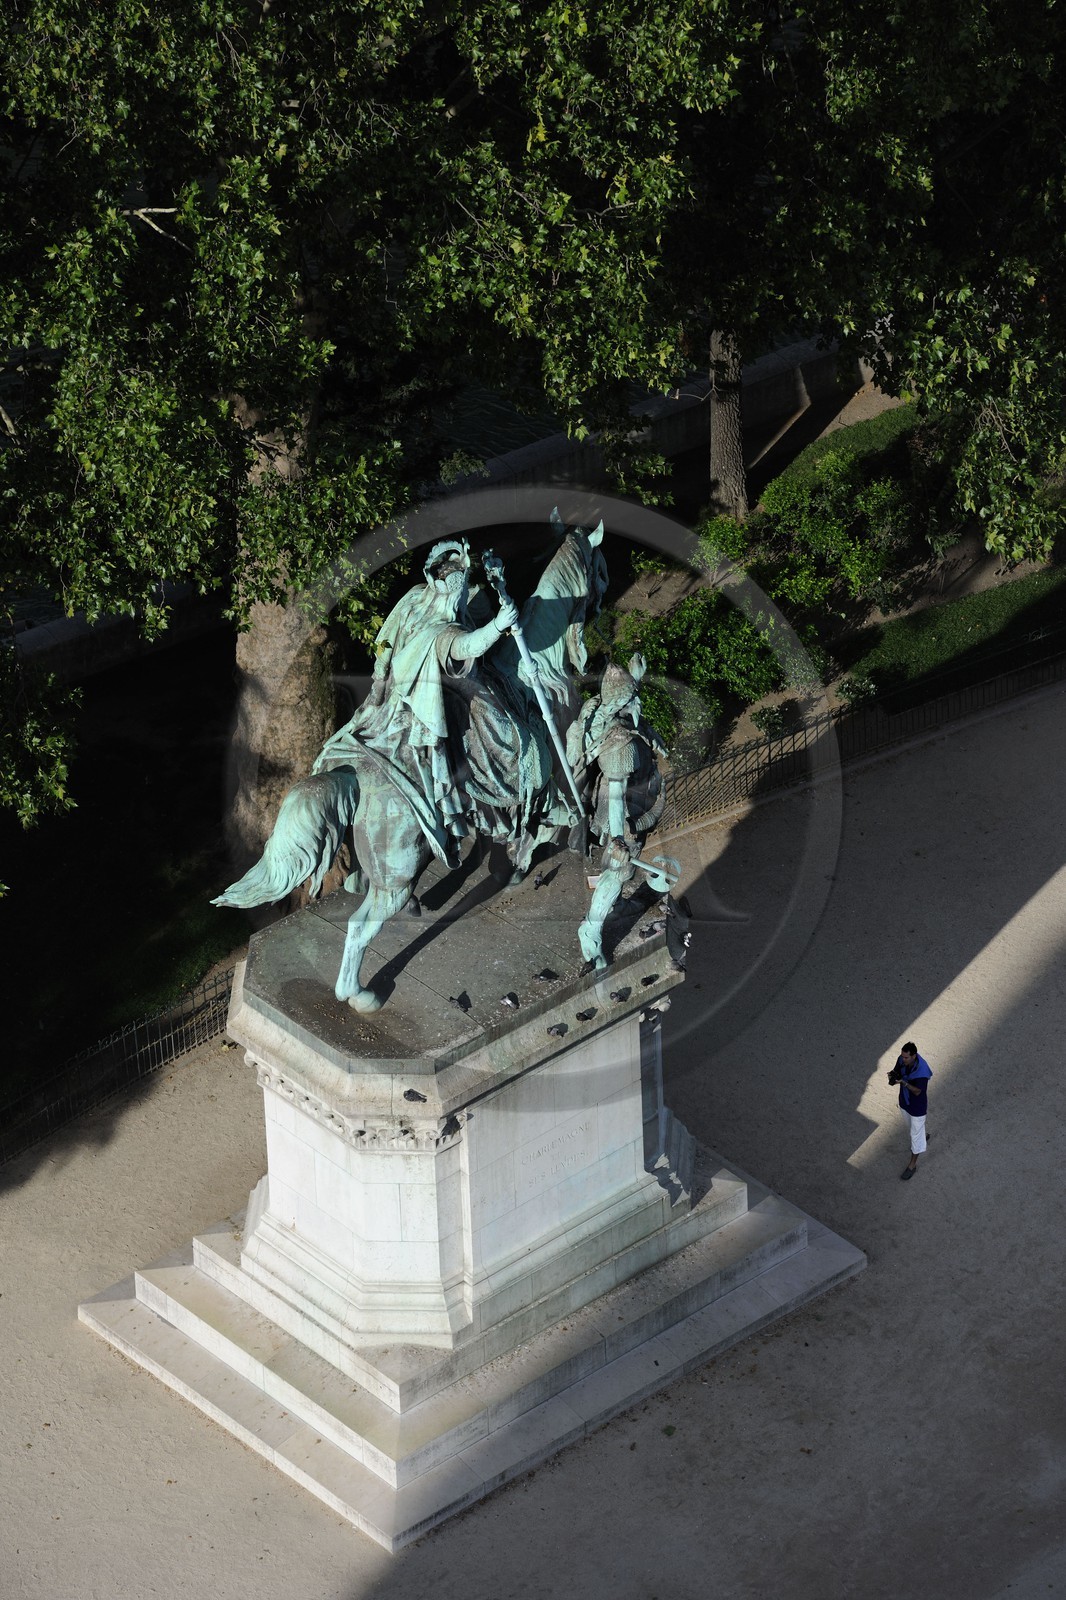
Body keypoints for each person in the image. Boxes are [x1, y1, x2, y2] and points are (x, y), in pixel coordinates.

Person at [313, 540, 558, 865]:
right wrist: (499, 625)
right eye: (460, 591)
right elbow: (468, 647)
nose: (462, 595)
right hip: (448, 702)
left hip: (396, 698)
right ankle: (500, 801)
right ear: (446, 588)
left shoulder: (414, 597)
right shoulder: (443, 632)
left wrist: (495, 599)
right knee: (516, 747)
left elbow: (384, 651)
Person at [567, 654, 667, 968]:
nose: (639, 704)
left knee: (621, 876)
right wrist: (619, 841)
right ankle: (591, 934)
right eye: (634, 698)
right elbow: (615, 795)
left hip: (635, 812)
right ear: (623, 704)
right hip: (622, 821)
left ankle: (617, 903)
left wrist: (634, 676)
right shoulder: (619, 746)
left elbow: (625, 698)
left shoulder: (615, 713)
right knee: (616, 873)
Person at [893, 1041, 932, 1180]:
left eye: (906, 1057)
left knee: (915, 1138)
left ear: (914, 1056)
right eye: (902, 1056)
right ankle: (922, 1135)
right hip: (904, 1103)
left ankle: (912, 1165)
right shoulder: (901, 1059)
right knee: (913, 1130)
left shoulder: (922, 1071)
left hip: (917, 1109)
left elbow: (917, 1092)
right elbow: (897, 1070)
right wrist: (893, 1076)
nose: (902, 1059)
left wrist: (903, 1082)